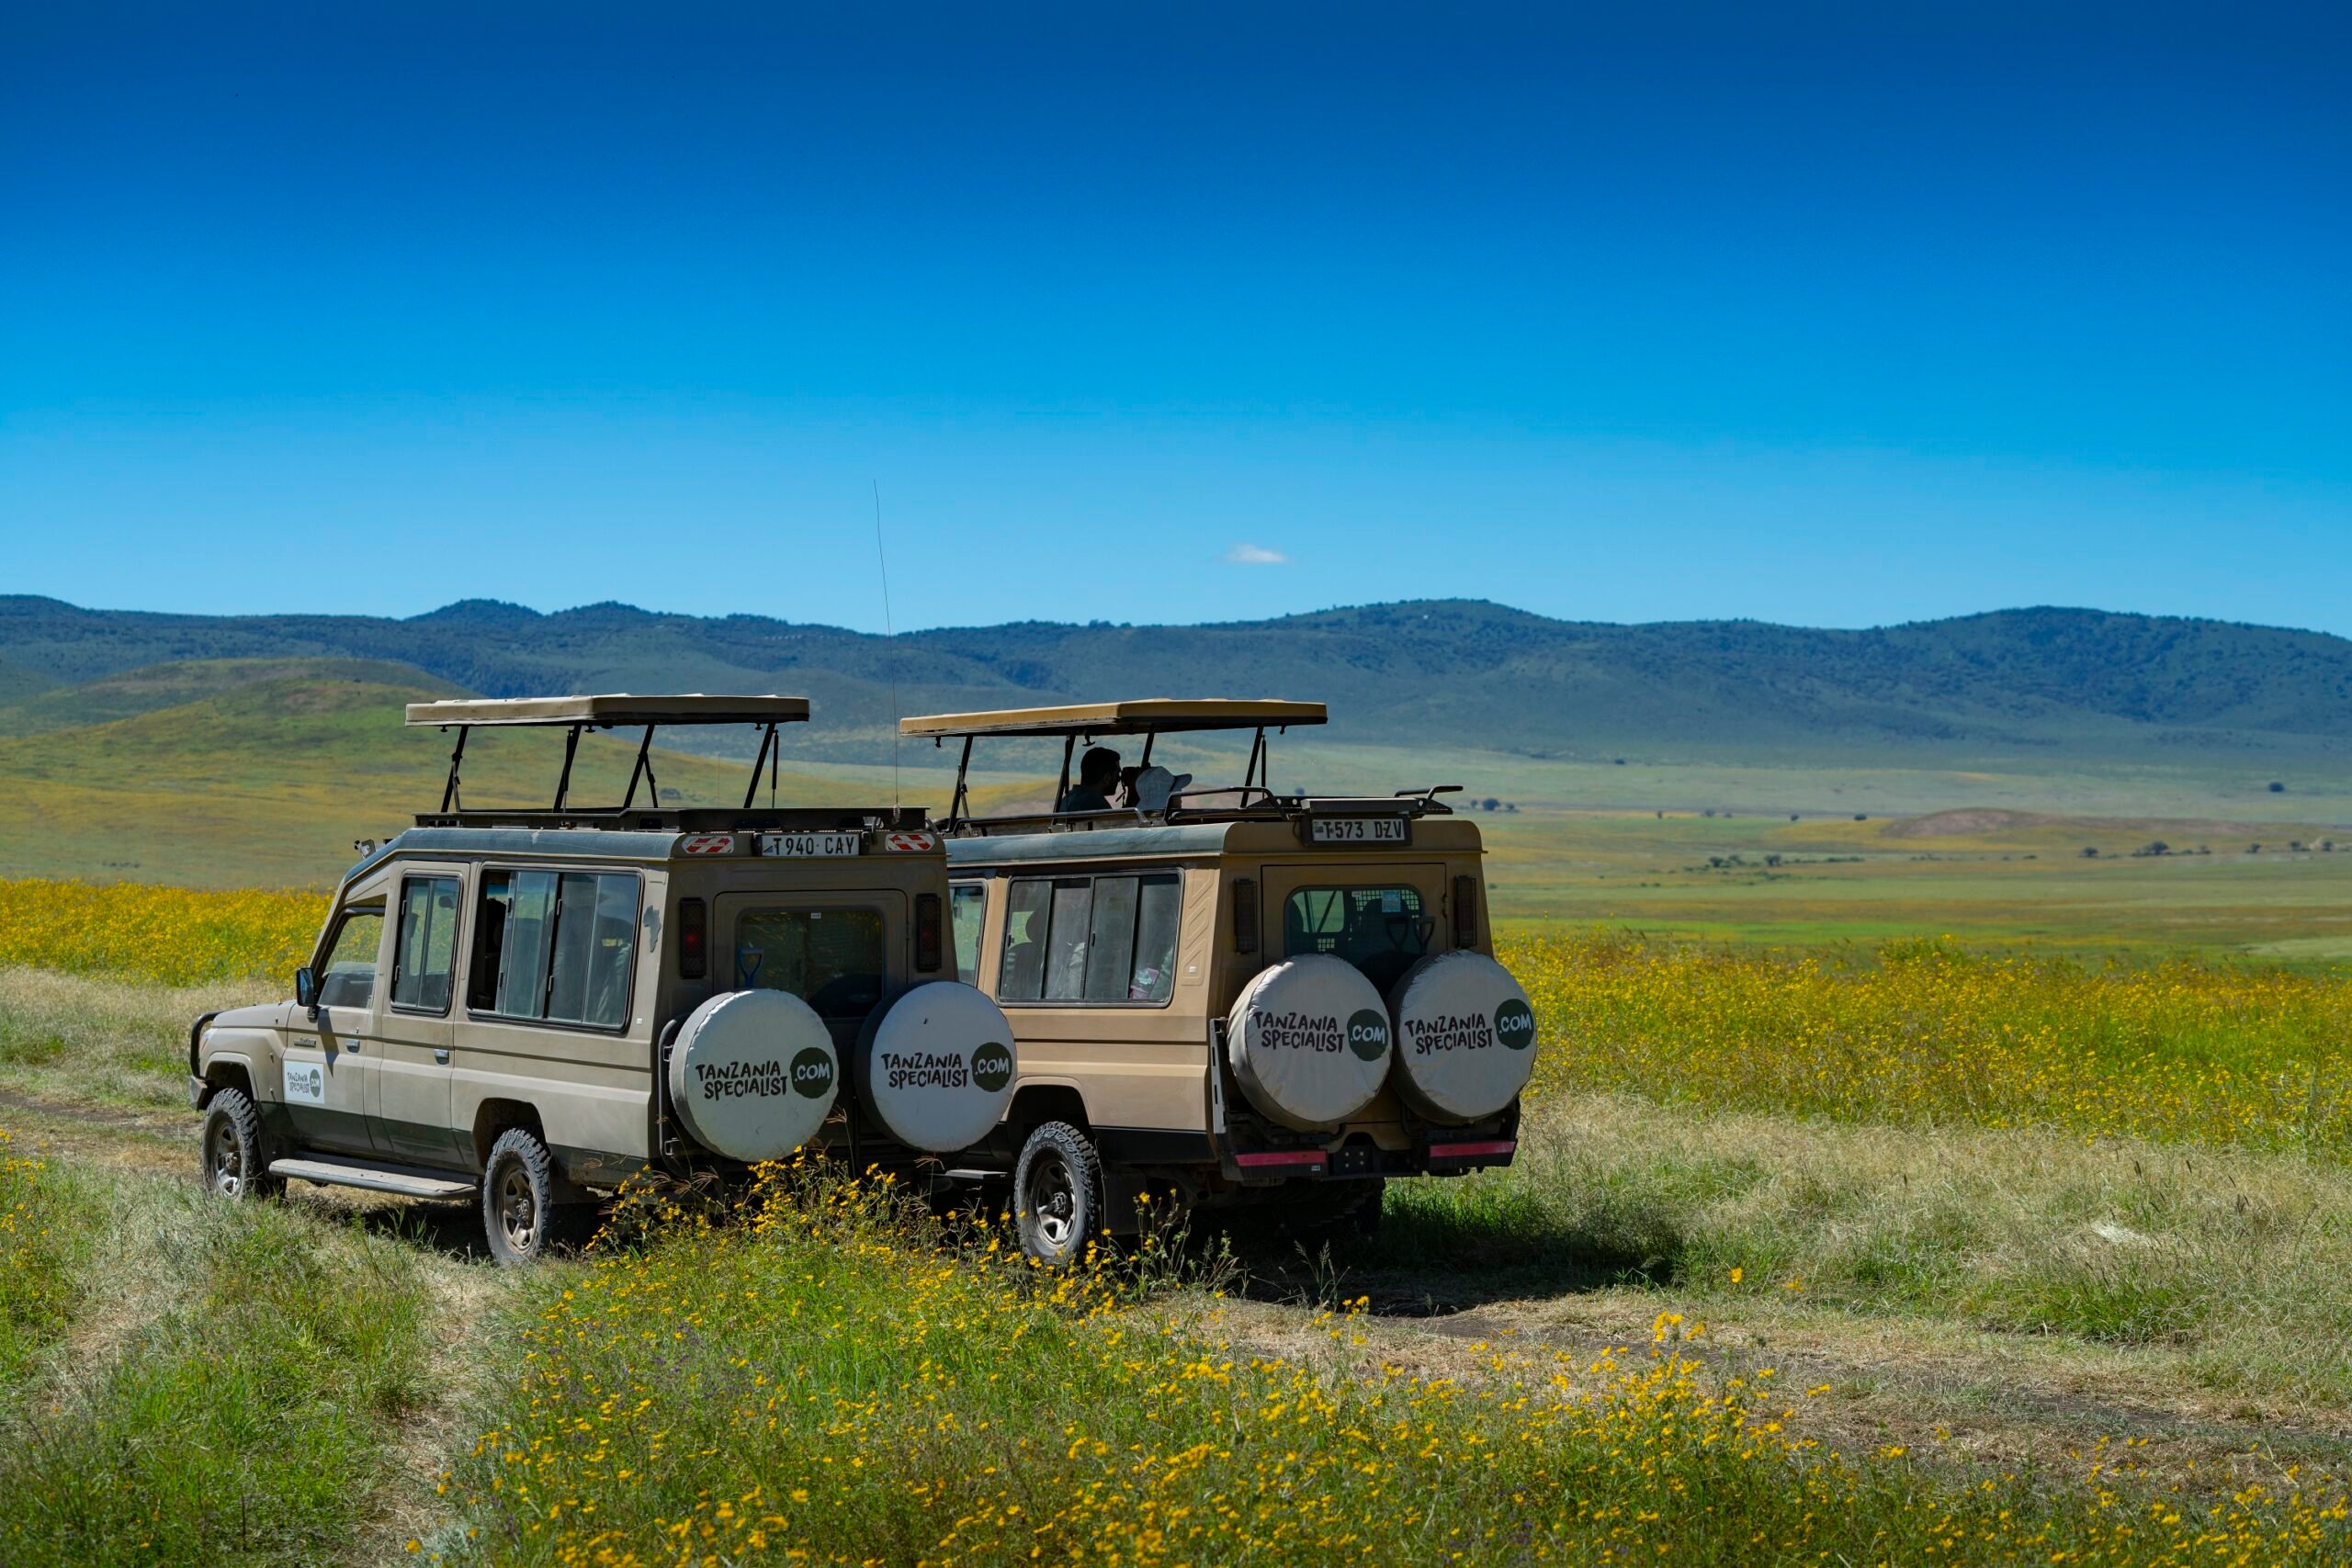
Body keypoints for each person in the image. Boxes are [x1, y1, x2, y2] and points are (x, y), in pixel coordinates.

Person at [1057, 746, 1121, 813]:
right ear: (1106, 778)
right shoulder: (1095, 803)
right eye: (1117, 775)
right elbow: (1115, 823)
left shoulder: (1068, 798)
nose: (1119, 779)